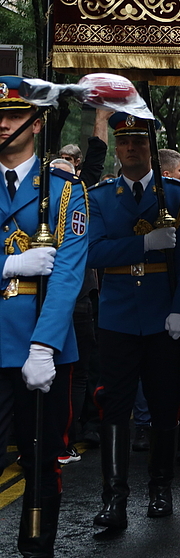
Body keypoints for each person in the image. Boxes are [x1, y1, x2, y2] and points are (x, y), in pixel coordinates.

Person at [88, 112, 180, 530]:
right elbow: (93, 253)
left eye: (138, 141)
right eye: (124, 142)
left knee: (163, 404)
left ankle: (160, 488)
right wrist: (142, 244)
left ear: (151, 147)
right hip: (118, 315)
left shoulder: (178, 194)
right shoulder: (98, 197)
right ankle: (114, 499)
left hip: (162, 315)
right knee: (115, 407)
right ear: (117, 148)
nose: (131, 148)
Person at [0, 77, 88, 557]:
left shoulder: (65, 191)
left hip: (41, 345)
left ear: (35, 123)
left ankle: (37, 549)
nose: (3, 124)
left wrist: (43, 345)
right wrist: (10, 264)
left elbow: (69, 274)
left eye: (13, 115)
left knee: (40, 461)